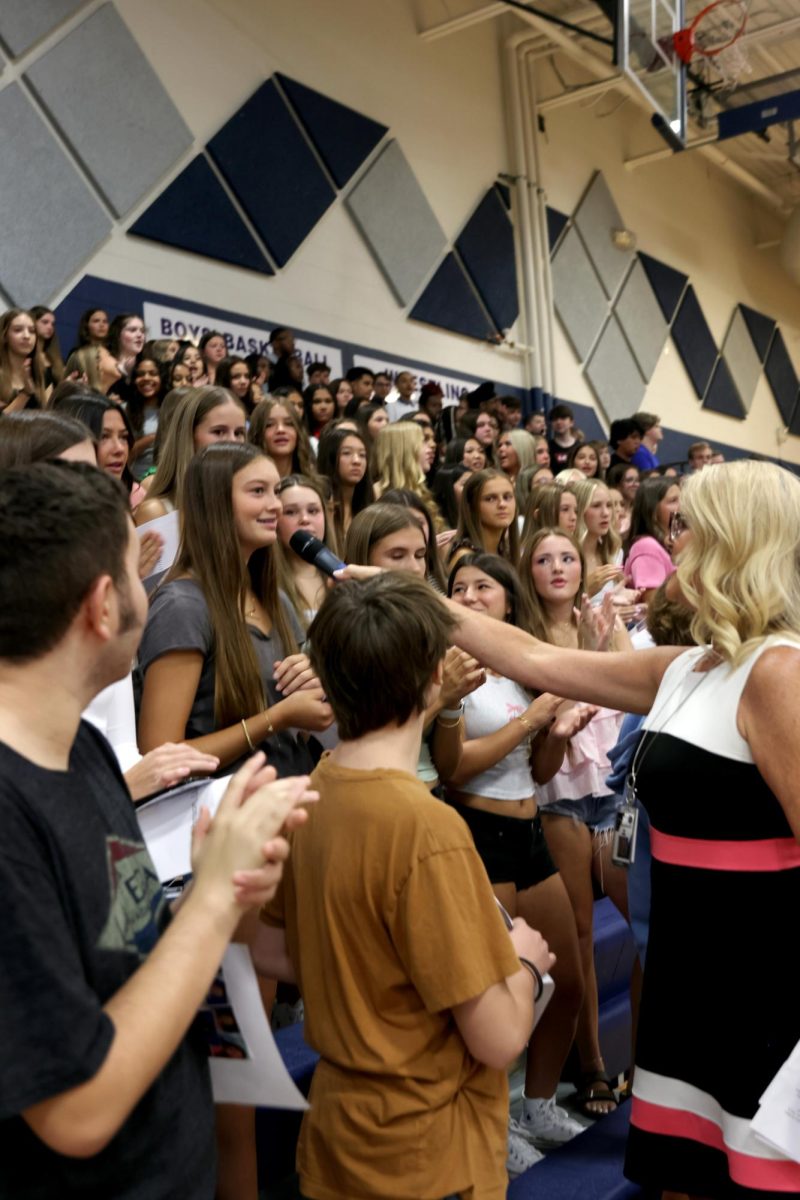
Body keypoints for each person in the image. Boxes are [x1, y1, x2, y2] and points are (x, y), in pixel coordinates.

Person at [439, 458, 800, 1200]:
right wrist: (409, 599)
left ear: (737, 542)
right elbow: (537, 656)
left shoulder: (778, 673)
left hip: (759, 988)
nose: (674, 543)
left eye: (690, 527)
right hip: (686, 977)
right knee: (683, 1176)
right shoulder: (692, 666)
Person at [0, 461, 316, 1199]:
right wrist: (209, 900)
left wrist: (221, 892)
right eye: (138, 571)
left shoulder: (81, 748)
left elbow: (125, 941)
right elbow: (75, 1110)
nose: (155, 590)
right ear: (103, 606)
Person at [254, 572, 554, 1200]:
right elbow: (498, 1037)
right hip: (425, 1155)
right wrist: (524, 964)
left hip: (340, 1142)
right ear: (431, 680)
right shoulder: (427, 827)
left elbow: (272, 950)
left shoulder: (311, 790)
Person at [445, 553, 593, 1167]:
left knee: (568, 984)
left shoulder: (520, 667)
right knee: (498, 994)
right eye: (458, 587)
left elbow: (538, 770)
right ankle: (491, 1125)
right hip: (476, 835)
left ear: (507, 600)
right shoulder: (448, 668)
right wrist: (531, 721)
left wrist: (554, 736)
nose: (472, 596)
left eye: (484, 586)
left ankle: (536, 1105)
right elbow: (452, 767)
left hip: (530, 829)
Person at [517, 528, 629, 1117]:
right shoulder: (524, 635)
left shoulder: (604, 621)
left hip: (610, 789)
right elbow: (549, 714)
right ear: (527, 570)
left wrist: (603, 636)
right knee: (580, 934)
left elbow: (641, 692)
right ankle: (590, 1066)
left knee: (642, 915)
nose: (558, 567)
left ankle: (646, 1056)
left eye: (567, 556)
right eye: (543, 559)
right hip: (559, 791)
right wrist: (586, 646)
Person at [138, 443, 332, 775]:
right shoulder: (182, 607)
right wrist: (278, 717)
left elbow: (300, 727)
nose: (275, 505)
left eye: (275, 491)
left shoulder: (278, 601)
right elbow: (160, 756)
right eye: (258, 491)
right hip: (220, 817)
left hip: (288, 805)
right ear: (215, 503)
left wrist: (316, 684)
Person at [133, 388, 247, 525]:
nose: (232, 441)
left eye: (239, 433)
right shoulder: (158, 511)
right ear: (188, 436)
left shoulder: (247, 504)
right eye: (219, 432)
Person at [275, 474, 337, 631]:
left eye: (313, 510)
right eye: (290, 512)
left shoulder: (342, 574)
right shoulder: (267, 583)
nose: (304, 519)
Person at [624, 478, 681, 601]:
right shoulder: (645, 546)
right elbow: (653, 602)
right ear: (653, 511)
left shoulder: (673, 543)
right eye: (673, 501)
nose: (682, 505)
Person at [449, 468, 519, 566]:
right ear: (472, 506)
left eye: (507, 497)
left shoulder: (506, 552)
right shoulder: (465, 556)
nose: (502, 504)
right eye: (490, 499)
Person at [316, 426, 374, 543]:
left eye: (362, 455)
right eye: (347, 453)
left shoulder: (369, 506)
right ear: (330, 458)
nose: (357, 461)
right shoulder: (319, 505)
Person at [248, 396, 315, 479]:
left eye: (289, 423)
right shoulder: (247, 484)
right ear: (257, 433)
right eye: (269, 425)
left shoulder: (316, 486)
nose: (280, 430)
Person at [0, 308, 47, 411]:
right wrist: (25, 394)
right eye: (18, 330)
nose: (27, 336)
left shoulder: (41, 373)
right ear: (4, 336)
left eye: (32, 331)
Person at [30, 305, 64, 388]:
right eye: (45, 322)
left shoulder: (54, 357)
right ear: (32, 322)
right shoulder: (25, 355)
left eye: (52, 324)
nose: (50, 327)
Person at [547, 403, 579, 470]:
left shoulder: (580, 447)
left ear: (571, 422)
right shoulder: (547, 447)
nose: (558, 422)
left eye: (563, 418)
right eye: (555, 419)